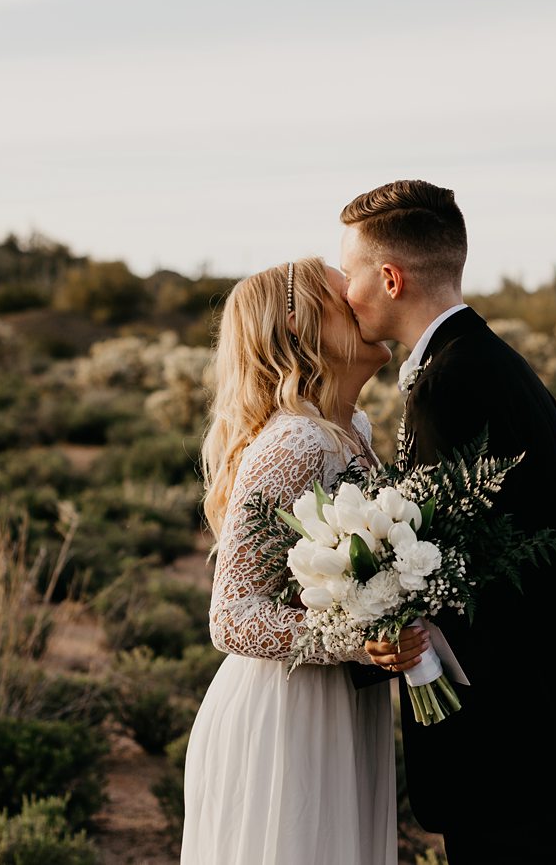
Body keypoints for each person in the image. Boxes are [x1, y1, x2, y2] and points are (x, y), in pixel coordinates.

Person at [340, 180, 556, 863]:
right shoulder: (485, 362)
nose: (345, 292)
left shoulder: (453, 385)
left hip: (515, 748)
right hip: (544, 731)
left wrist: (374, 628)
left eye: (351, 272)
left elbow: (457, 575)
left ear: (390, 278)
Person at [181, 257, 397, 865]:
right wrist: (360, 638)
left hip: (340, 702)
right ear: (300, 329)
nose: (362, 298)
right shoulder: (296, 442)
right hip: (287, 713)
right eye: (342, 294)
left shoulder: (352, 427)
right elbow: (232, 616)